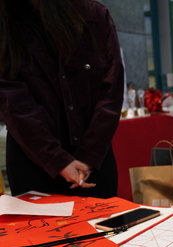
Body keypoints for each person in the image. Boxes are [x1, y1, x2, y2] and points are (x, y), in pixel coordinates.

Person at [0, 0, 124, 198]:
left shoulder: (93, 15)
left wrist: (89, 155)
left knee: (104, 227)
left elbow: (111, 91)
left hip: (94, 163)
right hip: (35, 162)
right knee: (39, 230)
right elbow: (13, 104)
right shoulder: (6, 22)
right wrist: (58, 160)